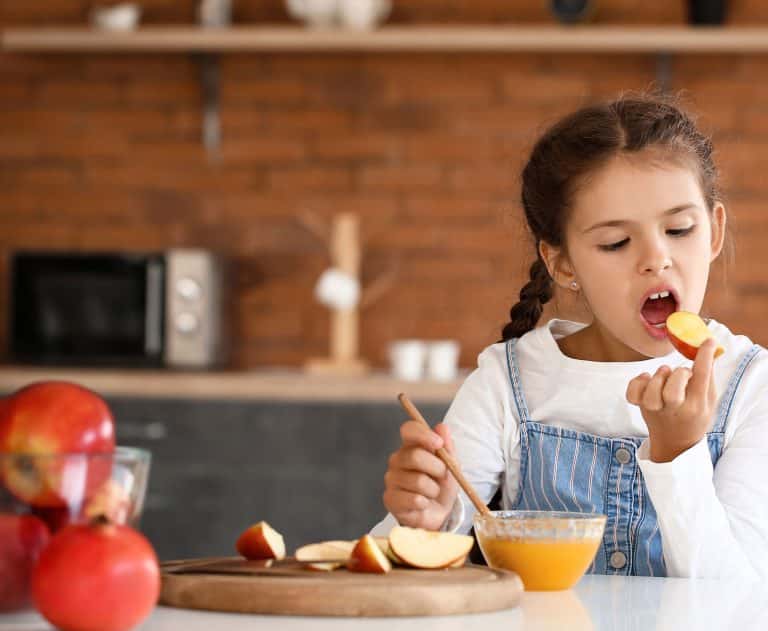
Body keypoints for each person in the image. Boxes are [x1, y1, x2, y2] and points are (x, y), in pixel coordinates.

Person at [372, 92, 768, 580]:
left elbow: (742, 600)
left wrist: (677, 455)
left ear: (714, 232)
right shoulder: (507, 382)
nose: (656, 257)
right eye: (615, 242)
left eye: (680, 229)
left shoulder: (752, 385)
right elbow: (385, 567)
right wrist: (430, 524)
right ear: (561, 263)